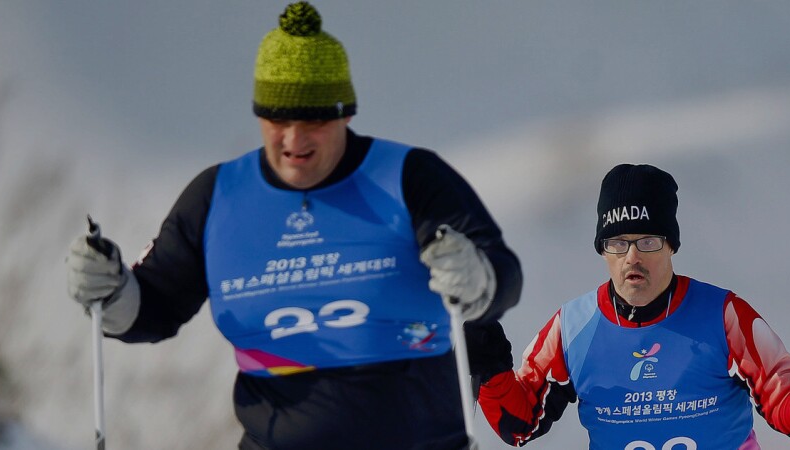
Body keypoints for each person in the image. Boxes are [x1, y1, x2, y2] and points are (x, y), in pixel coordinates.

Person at [63, 3, 521, 449]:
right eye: (279, 118)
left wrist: (478, 279)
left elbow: (502, 276)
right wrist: (110, 291)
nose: (294, 140)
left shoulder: (408, 177)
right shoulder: (219, 198)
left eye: (315, 119)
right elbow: (153, 306)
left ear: (345, 113)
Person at [472, 164, 790, 449]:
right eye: (618, 242)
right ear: (603, 250)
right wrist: (490, 373)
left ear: (671, 245)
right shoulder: (572, 327)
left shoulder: (724, 316)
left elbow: (787, 413)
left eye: (649, 241)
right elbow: (518, 422)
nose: (632, 257)